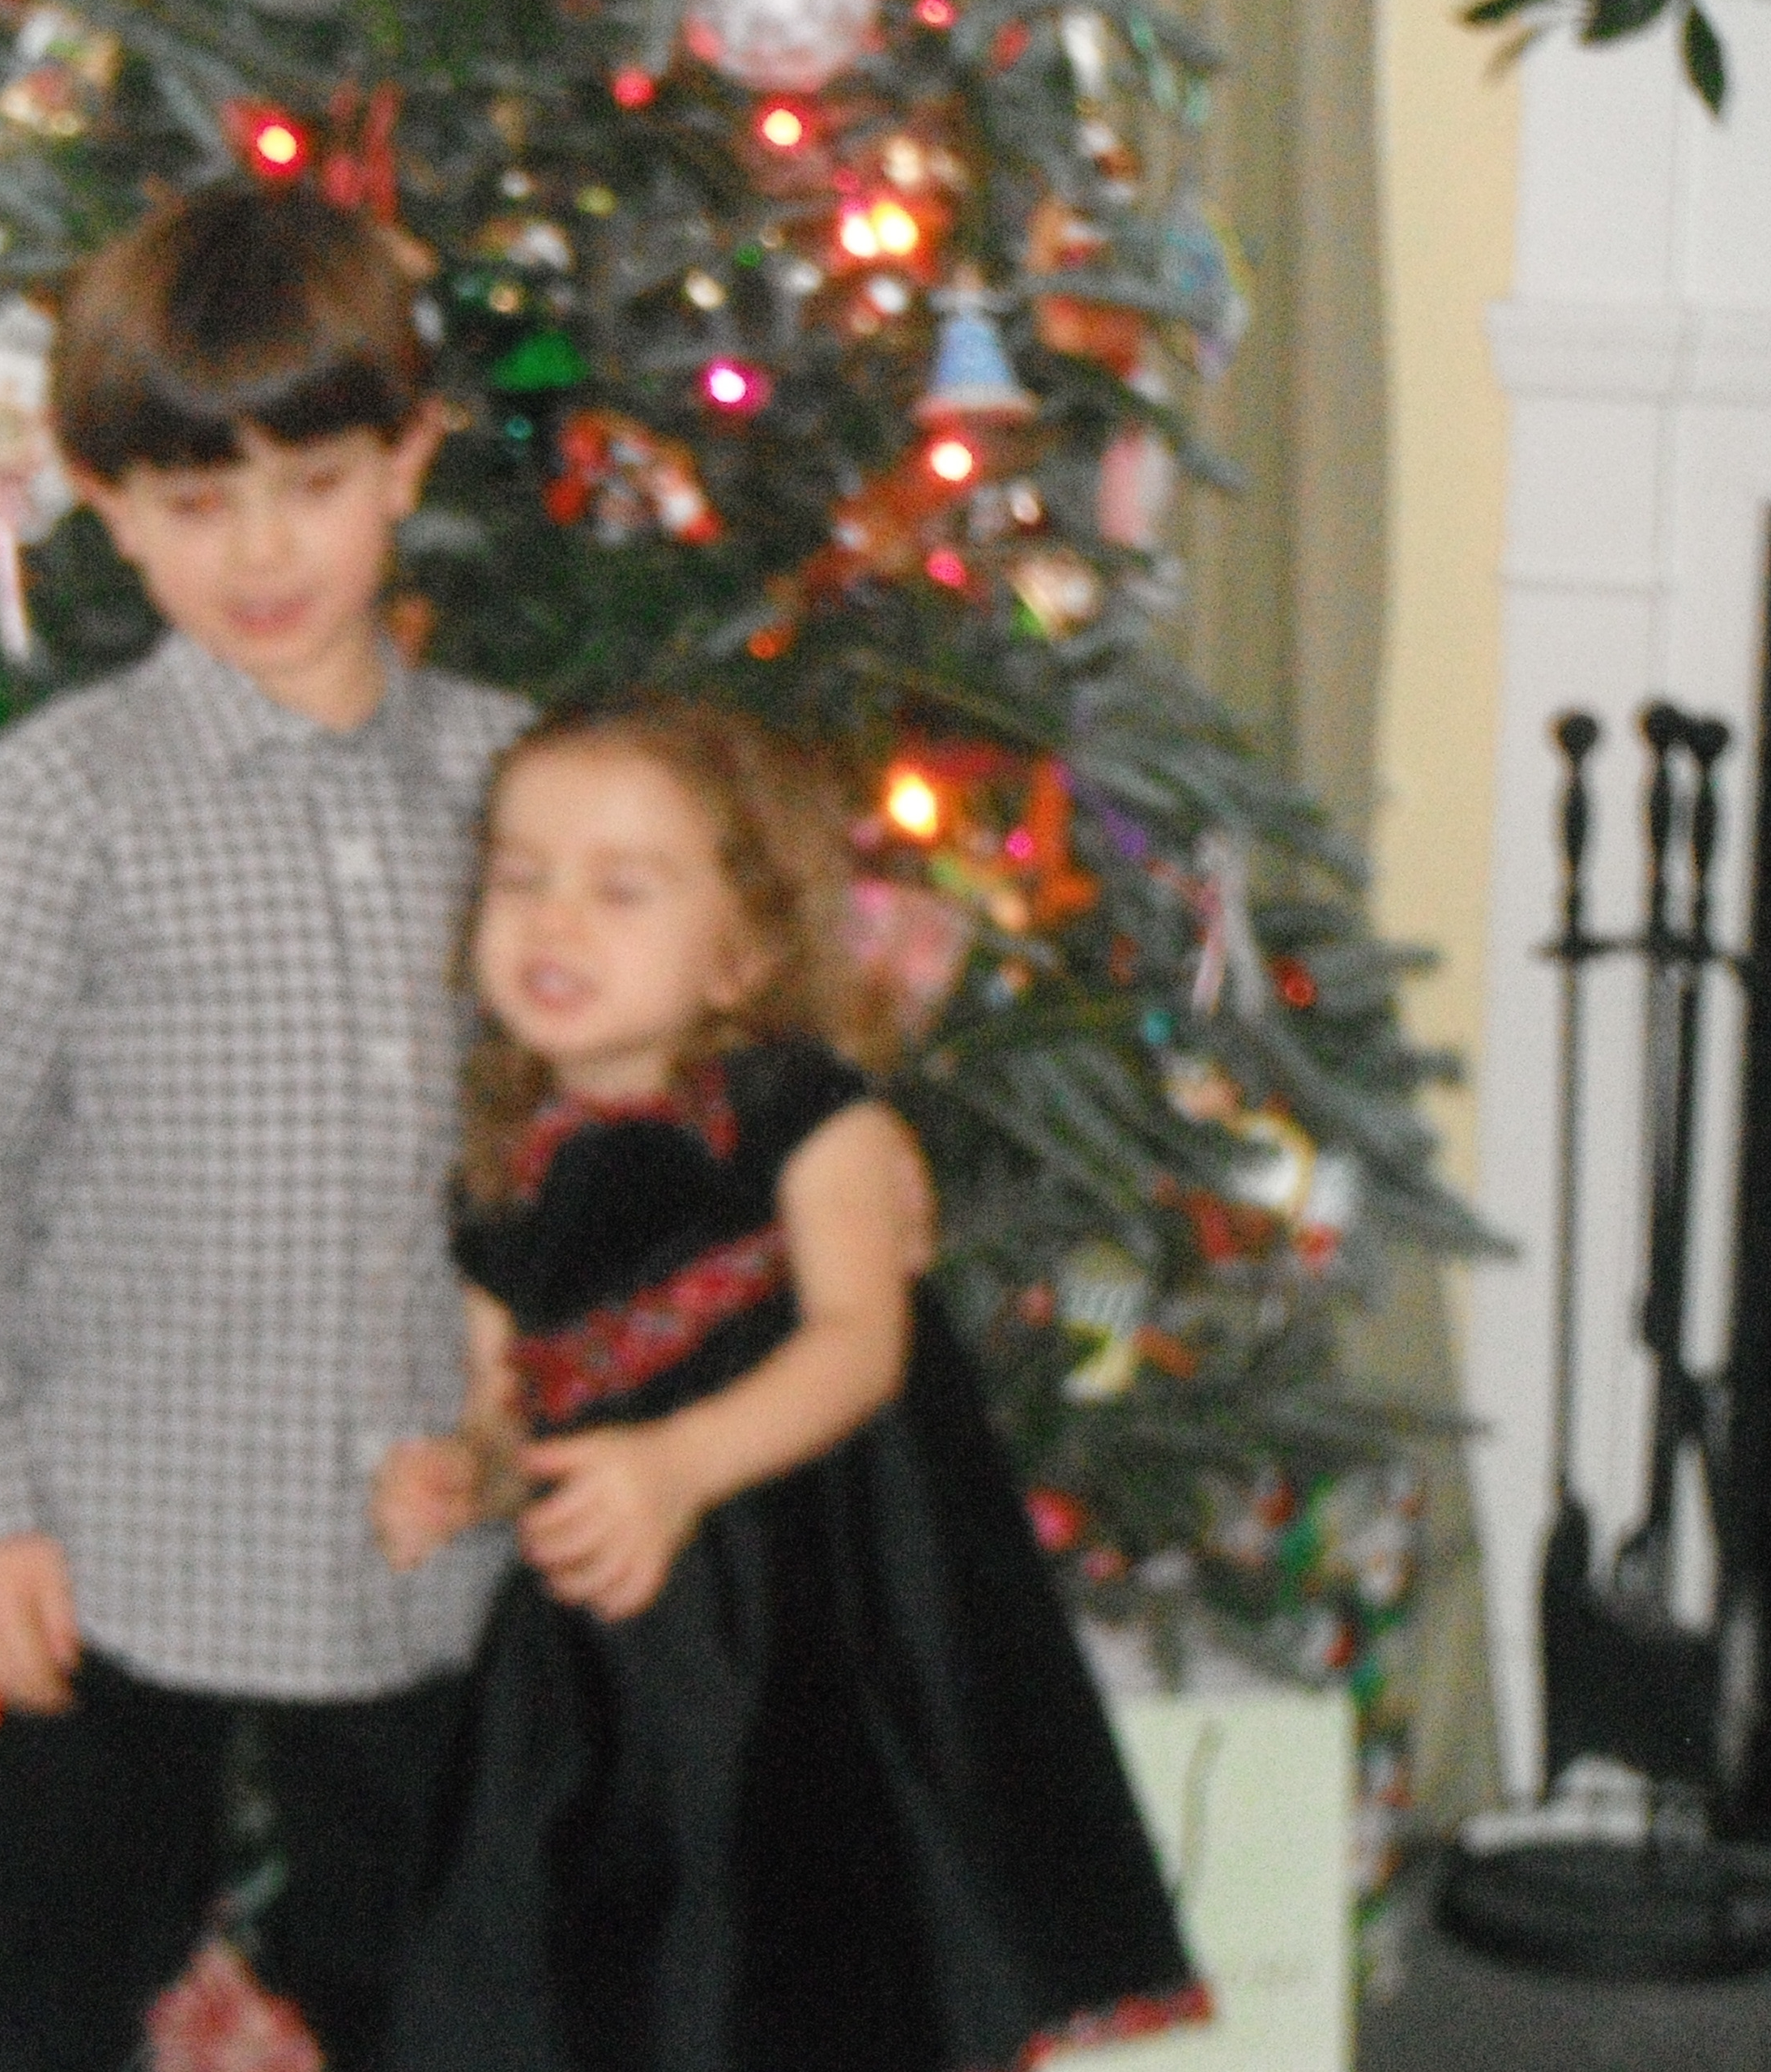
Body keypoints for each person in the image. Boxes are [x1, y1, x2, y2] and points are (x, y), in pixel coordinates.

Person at [0, 180, 528, 2072]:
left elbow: (563, 1134)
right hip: (120, 1534)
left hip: (426, 1537)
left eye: (313, 484)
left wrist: (524, 1422)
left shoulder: (508, 773)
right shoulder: (59, 801)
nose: (262, 550)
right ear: (104, 499)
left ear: (407, 461)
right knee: (63, 1969)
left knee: (427, 1974)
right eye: (195, 500)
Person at [373, 698, 1212, 2072]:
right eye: (520, 880)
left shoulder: (803, 1117)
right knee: (594, 1953)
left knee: (779, 1957)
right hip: (604, 1659)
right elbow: (509, 1413)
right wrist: (465, 1475)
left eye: (621, 890)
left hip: (796, 1634)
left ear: (742, 952)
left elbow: (858, 1346)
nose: (553, 922)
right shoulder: (505, 1173)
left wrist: (678, 1464)